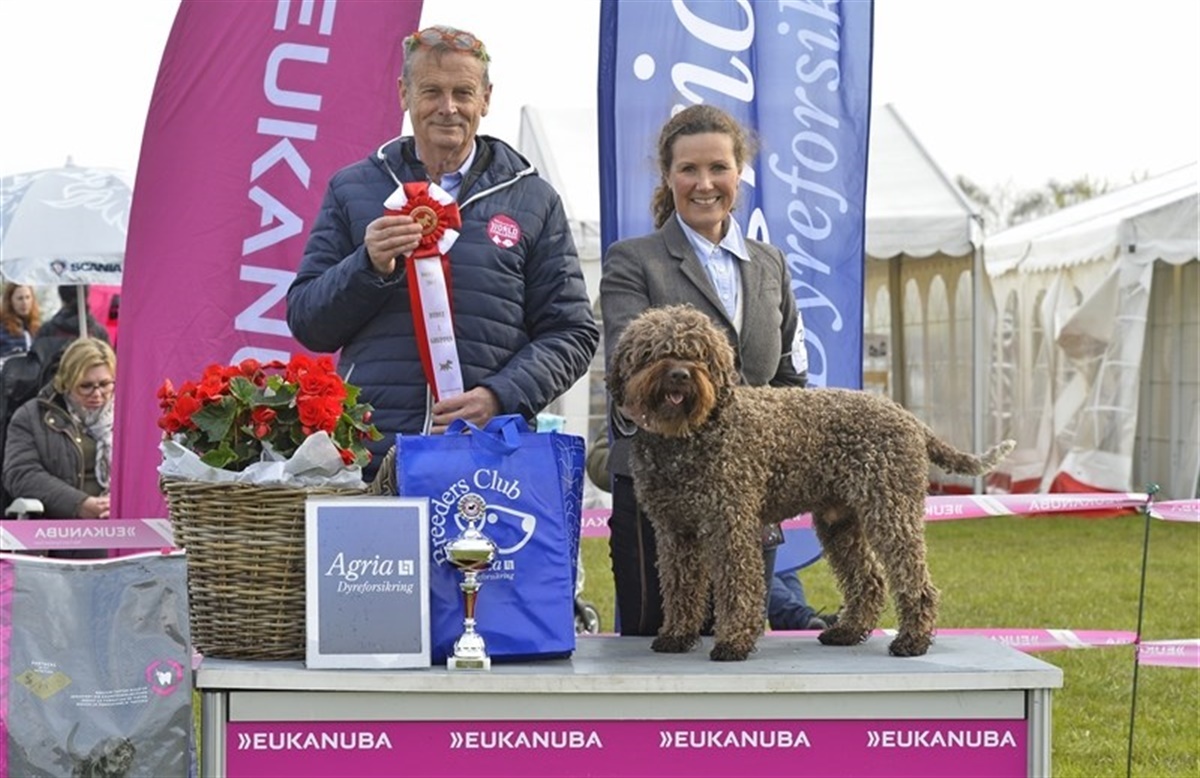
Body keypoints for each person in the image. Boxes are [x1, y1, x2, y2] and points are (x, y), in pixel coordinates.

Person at [287, 24, 598, 481]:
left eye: (463, 93)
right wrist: (366, 266)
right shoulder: (353, 189)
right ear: (404, 94)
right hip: (372, 457)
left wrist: (499, 396)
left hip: (490, 455)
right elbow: (308, 322)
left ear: (486, 99)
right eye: (431, 91)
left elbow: (572, 332)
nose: (448, 107)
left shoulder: (533, 200)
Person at [600, 104, 810, 636]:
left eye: (719, 168)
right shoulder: (632, 260)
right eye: (688, 169)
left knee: (738, 647)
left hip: (746, 493)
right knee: (659, 646)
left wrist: (765, 468)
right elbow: (628, 372)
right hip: (658, 490)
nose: (705, 184)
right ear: (668, 176)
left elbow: (790, 379)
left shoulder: (770, 263)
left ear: (740, 173)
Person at [2, 338, 115, 559]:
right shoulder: (30, 416)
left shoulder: (131, 414)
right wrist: (79, 504)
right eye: (86, 386)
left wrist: (119, 502)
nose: (97, 394)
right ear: (66, 382)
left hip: (124, 523)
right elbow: (20, 474)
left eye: (105, 384)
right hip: (60, 531)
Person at [1, 283, 41, 357]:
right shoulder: (3, 330)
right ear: (10, 301)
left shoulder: (38, 330)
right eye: (20, 298)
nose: (24, 302)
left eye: (27, 297)